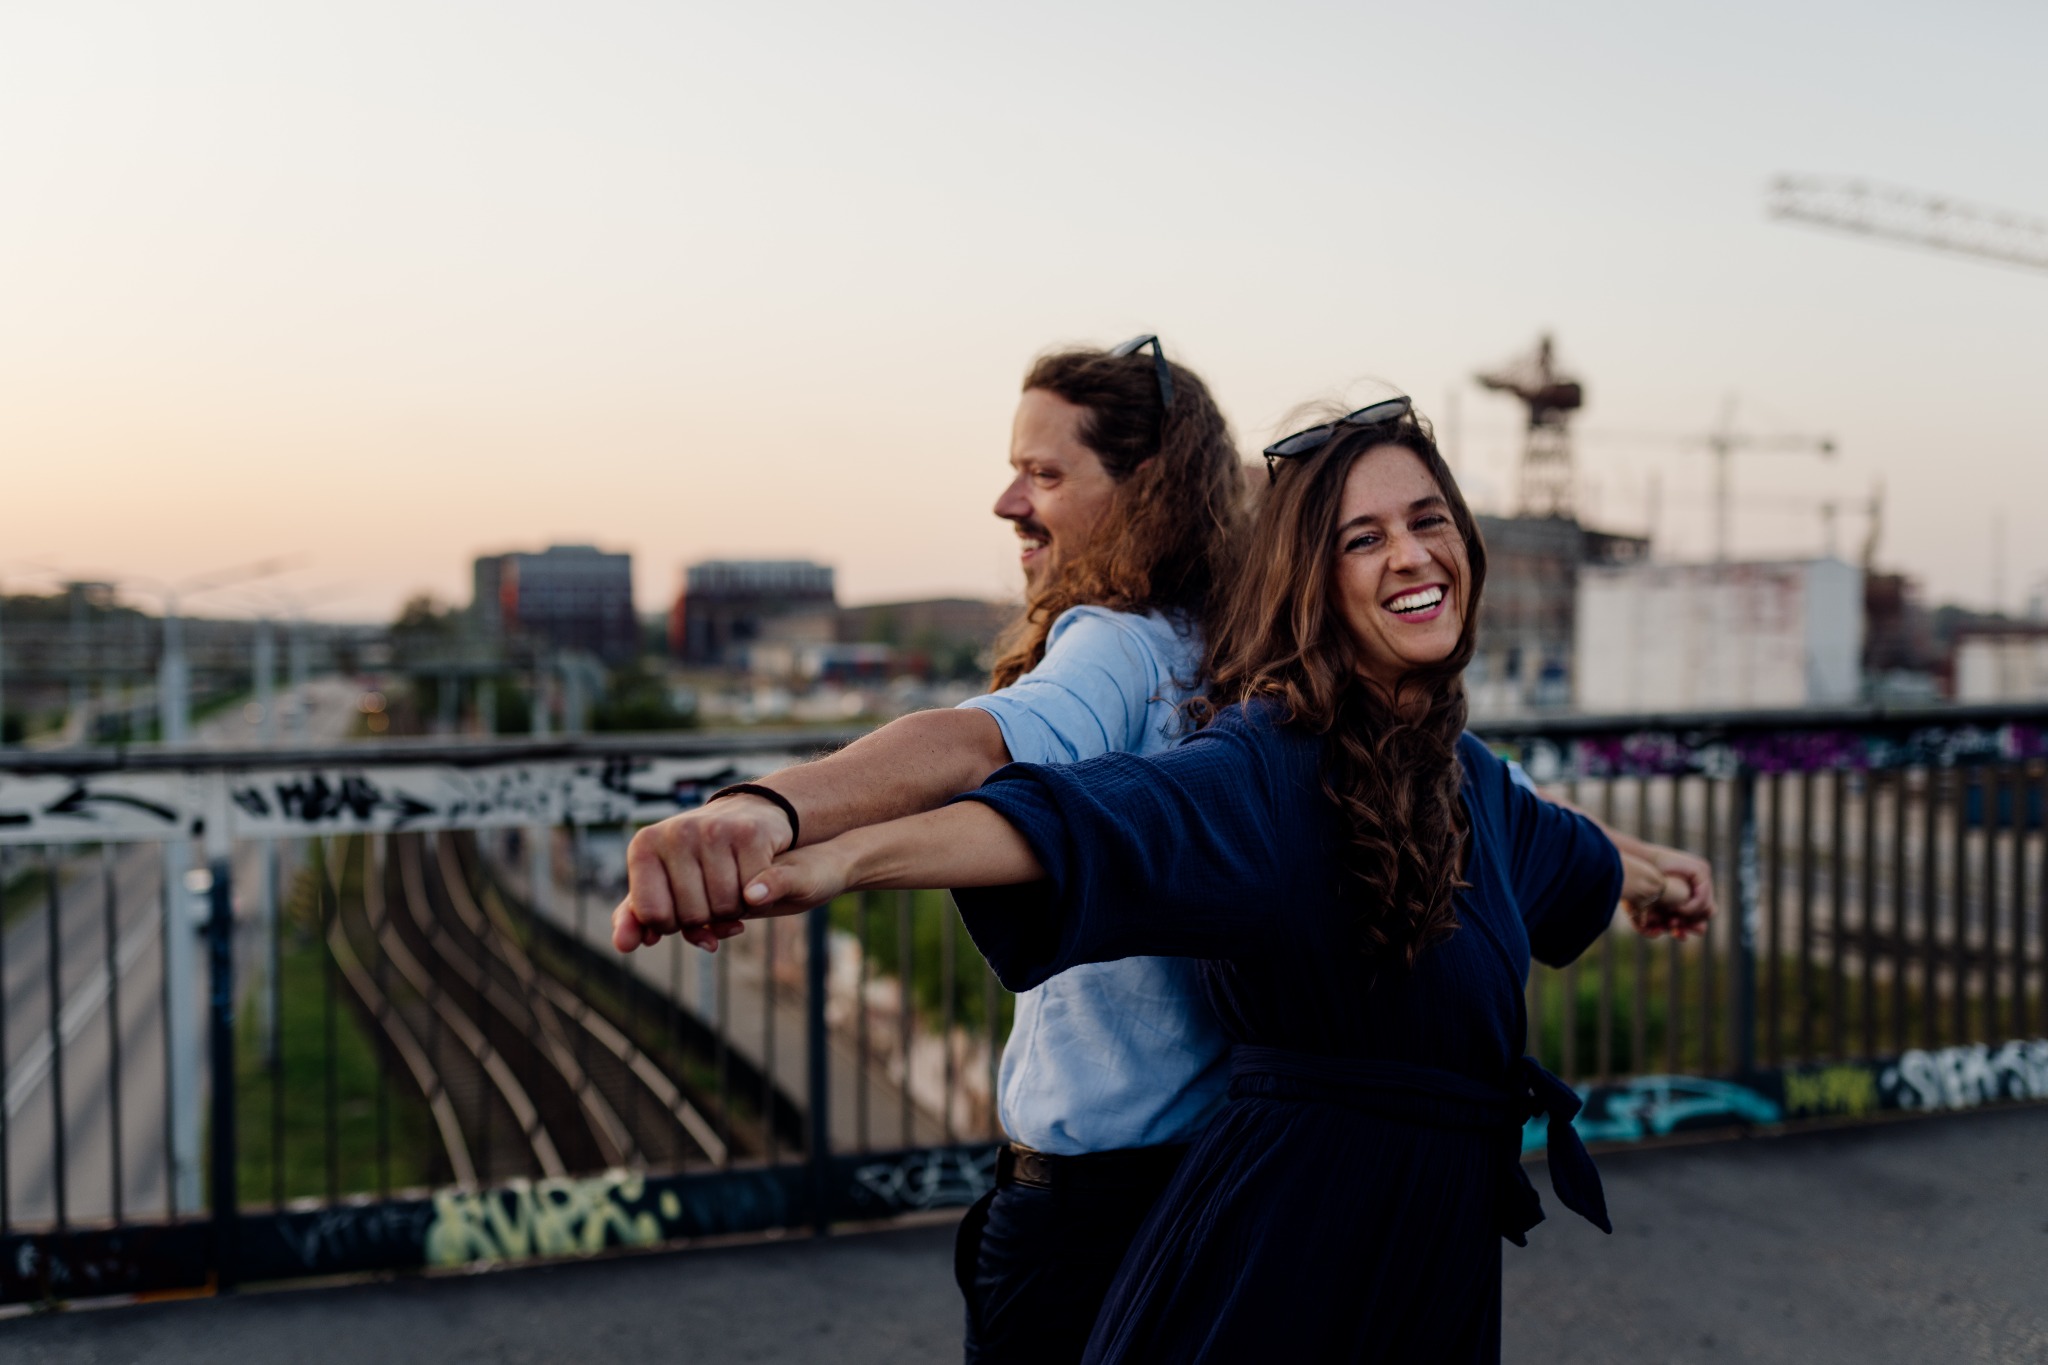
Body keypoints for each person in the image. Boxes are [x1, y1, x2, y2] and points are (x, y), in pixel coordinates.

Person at [726, 397, 1712, 1363]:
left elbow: (1557, 846)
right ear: (1313, 583)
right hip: (1281, 1275)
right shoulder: (1276, 761)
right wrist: (835, 855)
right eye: (1361, 539)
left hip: (1422, 1263)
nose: (1409, 555)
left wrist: (1659, 879)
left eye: (1427, 521)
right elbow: (1090, 825)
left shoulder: (1460, 774)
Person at [615, 336, 1252, 1363]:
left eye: (1044, 474)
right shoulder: (1252, 650)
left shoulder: (1119, 645)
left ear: (1149, 492)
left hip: (1090, 1213)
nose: (1008, 503)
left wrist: (769, 809)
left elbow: (977, 739)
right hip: (1224, 1189)